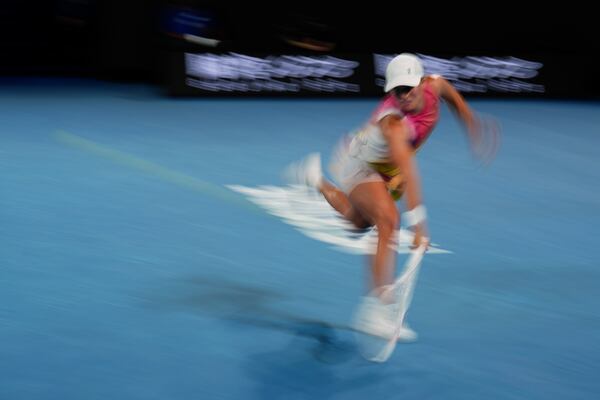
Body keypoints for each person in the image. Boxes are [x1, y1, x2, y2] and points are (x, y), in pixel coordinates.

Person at [284, 53, 498, 339]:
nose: (404, 96)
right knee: (388, 220)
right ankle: (376, 310)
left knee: (357, 223)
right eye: (397, 90)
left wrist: (473, 124)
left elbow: (455, 102)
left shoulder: (437, 85)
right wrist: (419, 224)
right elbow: (409, 168)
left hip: (387, 168)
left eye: (408, 88)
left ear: (422, 83)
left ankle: (315, 179)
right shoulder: (393, 123)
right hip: (358, 162)